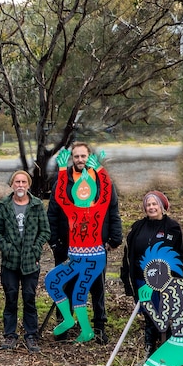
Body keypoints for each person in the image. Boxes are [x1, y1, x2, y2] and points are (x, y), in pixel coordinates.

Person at [47, 141, 122, 344]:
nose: (80, 160)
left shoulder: (99, 184)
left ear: (89, 157)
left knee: (96, 288)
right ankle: (65, 322)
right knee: (62, 285)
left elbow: (111, 206)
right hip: (67, 248)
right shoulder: (64, 184)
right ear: (72, 158)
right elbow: (55, 209)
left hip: (96, 249)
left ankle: (98, 327)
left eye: (83, 156)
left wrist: (115, 238)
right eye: (76, 156)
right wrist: (55, 242)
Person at [120, 191, 183, 356]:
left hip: (165, 281)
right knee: (149, 315)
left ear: (162, 206)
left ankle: (170, 351)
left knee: (165, 315)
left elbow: (181, 254)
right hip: (141, 280)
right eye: (148, 205)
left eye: (154, 204)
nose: (151, 207)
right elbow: (128, 254)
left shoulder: (172, 227)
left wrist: (174, 276)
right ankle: (149, 349)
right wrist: (127, 278)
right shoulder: (137, 227)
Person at [0, 170, 50, 353]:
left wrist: (36, 247)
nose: (20, 185)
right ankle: (10, 334)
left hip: (31, 261)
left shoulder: (37, 205)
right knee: (11, 297)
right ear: (12, 185)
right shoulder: (4, 205)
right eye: (17, 182)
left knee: (29, 298)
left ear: (28, 185)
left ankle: (31, 335)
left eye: (24, 182)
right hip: (10, 262)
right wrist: (6, 248)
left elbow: (45, 231)